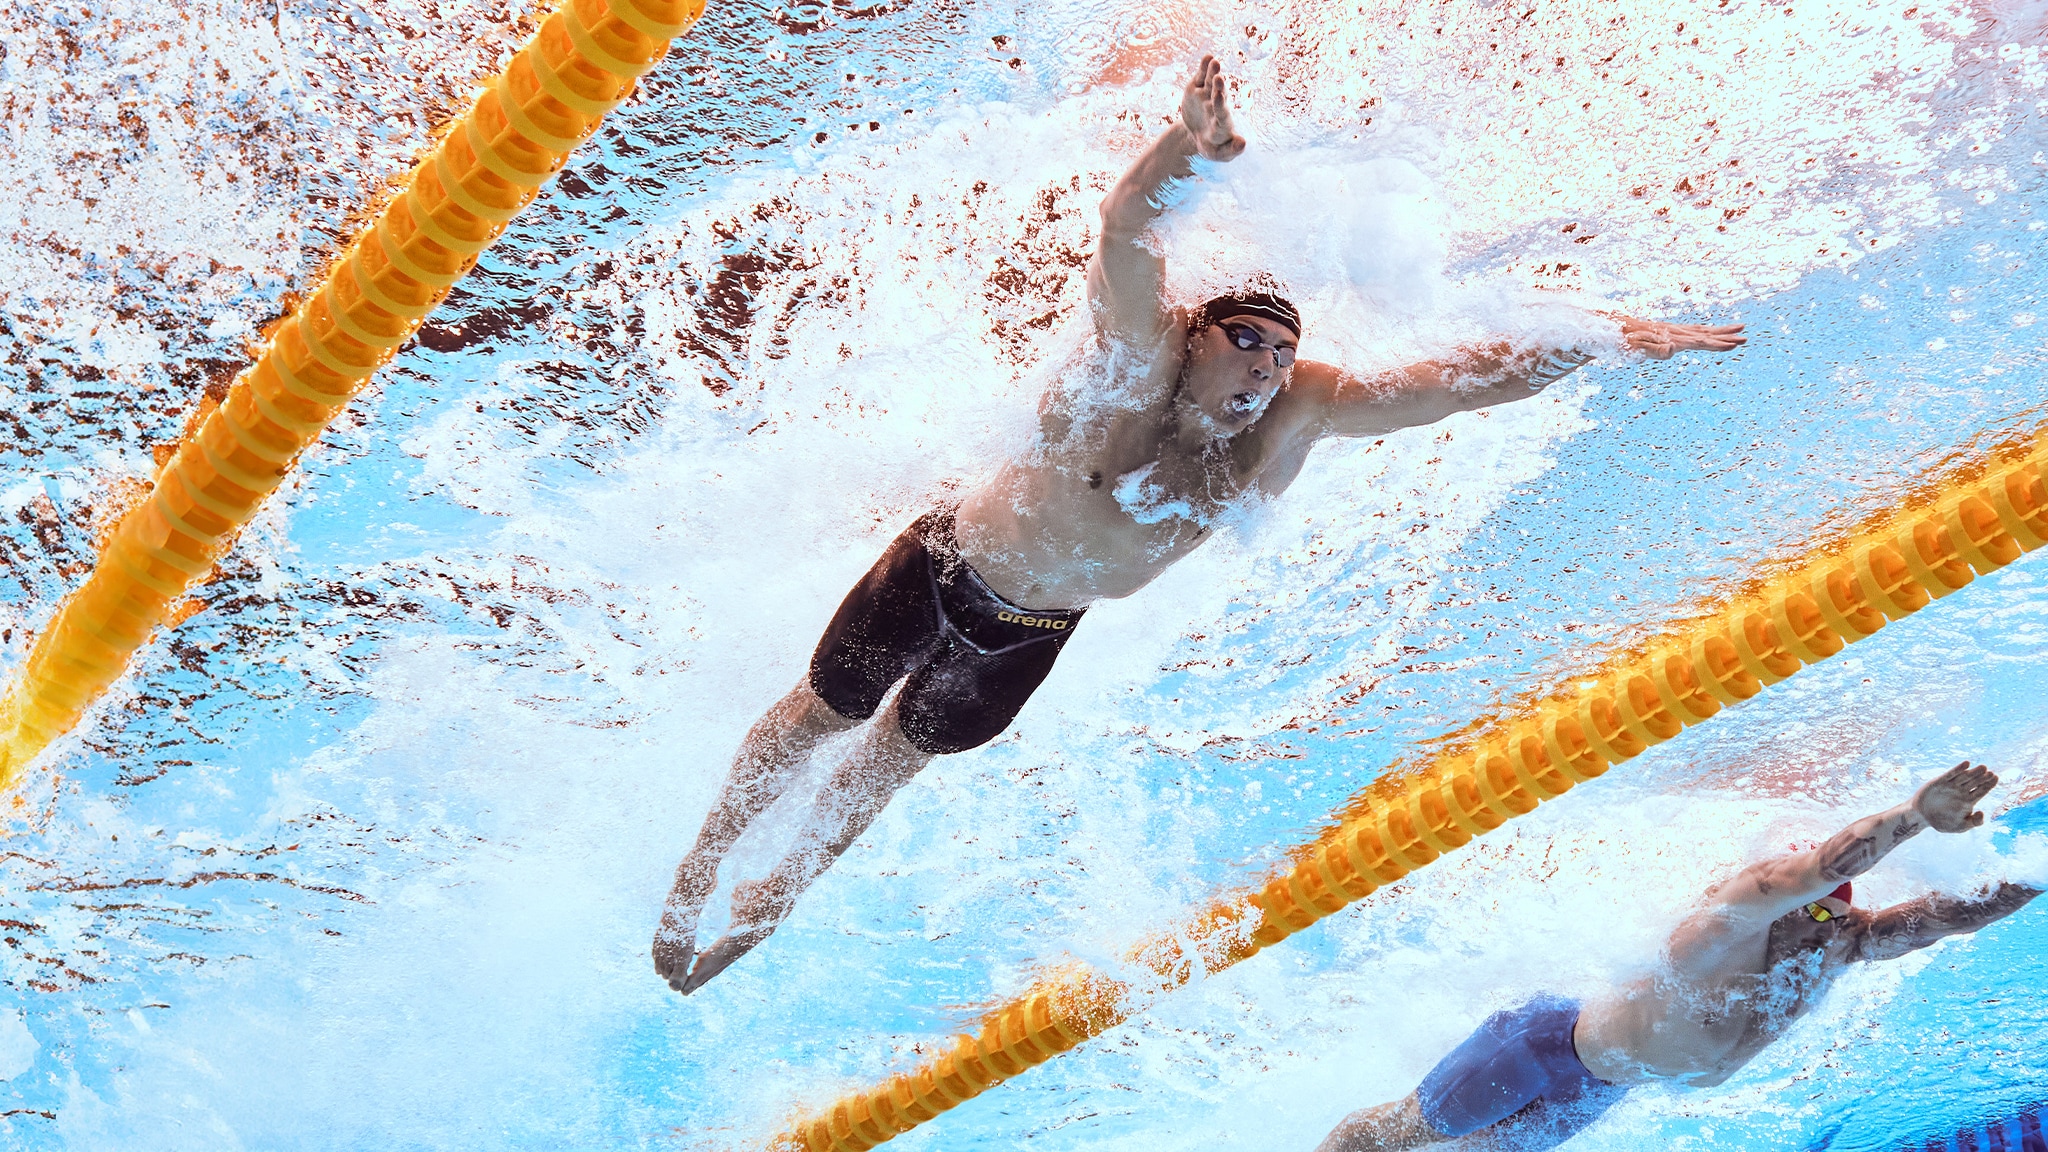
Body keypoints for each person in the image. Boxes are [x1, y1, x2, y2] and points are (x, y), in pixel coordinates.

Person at [653, 56, 1748, 994]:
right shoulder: (1129, 367)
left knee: (886, 766)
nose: (1266, 367)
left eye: (1279, 351)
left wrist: (1598, 335)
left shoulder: (1286, 419)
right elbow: (1125, 232)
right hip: (941, 568)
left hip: (1030, 635)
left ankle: (770, 899)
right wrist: (1188, 145)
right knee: (818, 720)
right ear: (1197, 335)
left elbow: (1457, 383)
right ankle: (697, 872)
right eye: (1247, 342)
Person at [1314, 762, 2041, 1152]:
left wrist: (2036, 872)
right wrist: (1915, 817)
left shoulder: (1841, 944)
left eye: (1840, 909)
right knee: (1398, 1135)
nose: (1831, 921)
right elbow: (1808, 869)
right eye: (1821, 906)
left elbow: (1956, 916)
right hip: (1540, 1053)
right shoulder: (1718, 931)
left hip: (1603, 1086)